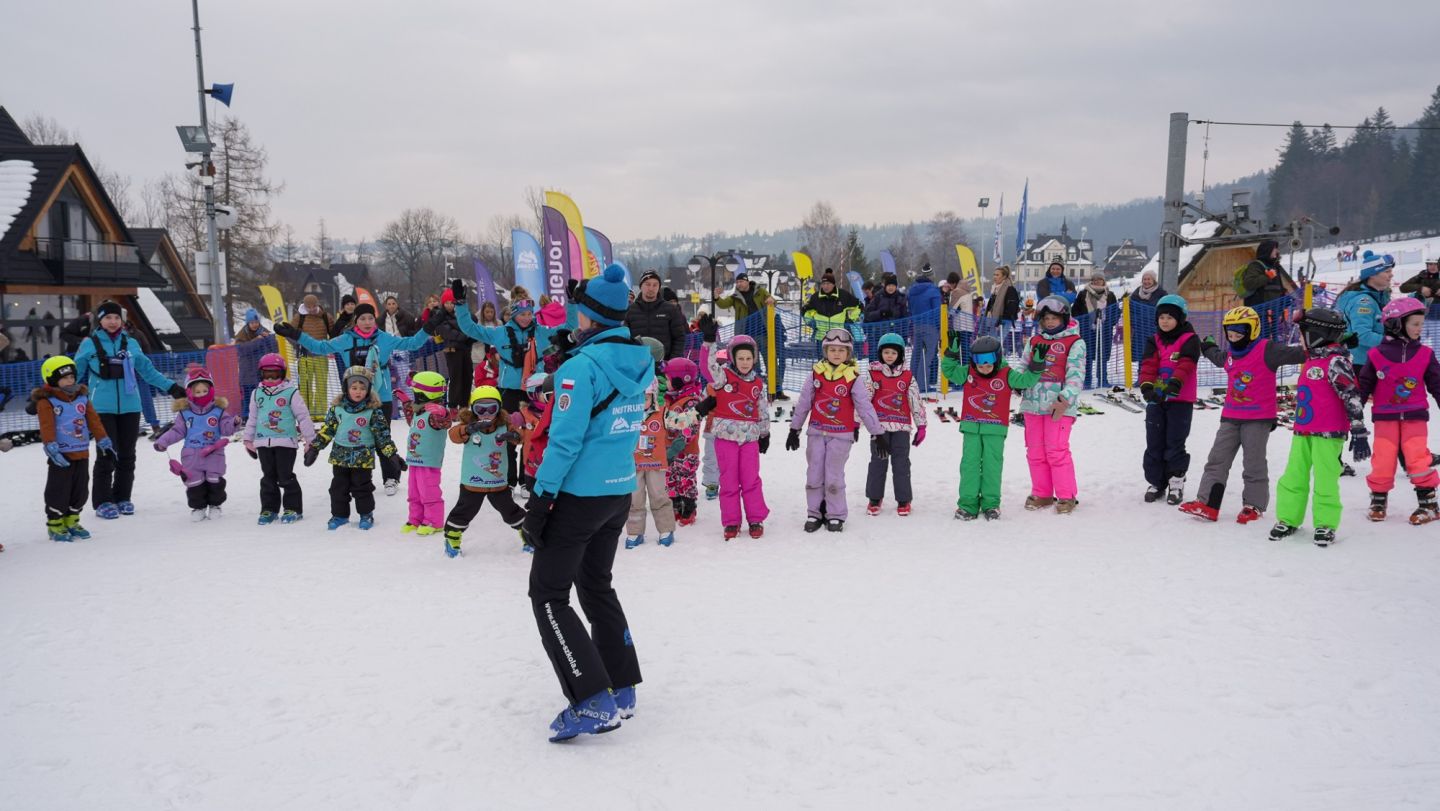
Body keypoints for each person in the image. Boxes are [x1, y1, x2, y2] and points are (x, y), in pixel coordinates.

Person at [518, 263, 652, 742]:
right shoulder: (640, 359)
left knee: (548, 594)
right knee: (596, 586)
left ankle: (593, 699)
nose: (575, 318)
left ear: (590, 315)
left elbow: (564, 443)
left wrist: (540, 499)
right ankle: (622, 685)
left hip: (579, 495)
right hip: (618, 489)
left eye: (579, 311)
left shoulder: (581, 368)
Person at [275, 302, 434, 496]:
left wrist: (429, 327)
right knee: (356, 436)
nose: (367, 322)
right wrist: (296, 334)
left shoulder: (384, 338)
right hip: (354, 396)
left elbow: (413, 343)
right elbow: (320, 347)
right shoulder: (346, 339)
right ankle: (358, 477)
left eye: (370, 318)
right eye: (362, 319)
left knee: (382, 436)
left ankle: (391, 477)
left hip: (380, 395)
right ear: (356, 321)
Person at [1180, 307, 1306, 524]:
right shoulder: (1230, 355)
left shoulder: (1267, 350)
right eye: (1230, 332)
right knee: (1217, 460)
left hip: (1258, 419)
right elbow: (1217, 357)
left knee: (1253, 463)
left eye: (1239, 332)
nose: (1234, 336)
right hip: (1231, 417)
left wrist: (1324, 343)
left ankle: (1253, 505)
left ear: (1252, 330)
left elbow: (1297, 354)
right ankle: (1208, 503)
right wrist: (1208, 347)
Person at [451, 282, 575, 489]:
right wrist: (461, 304)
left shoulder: (542, 332)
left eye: (530, 314)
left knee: (533, 437)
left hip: (535, 393)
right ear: (514, 314)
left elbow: (569, 326)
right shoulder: (500, 333)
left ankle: (527, 480)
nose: (527, 318)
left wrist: (573, 302)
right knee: (508, 435)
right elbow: (470, 328)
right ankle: (508, 480)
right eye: (522, 314)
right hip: (509, 392)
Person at [72, 300, 186, 519]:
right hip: (102, 408)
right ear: (100, 321)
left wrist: (172, 387)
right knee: (107, 454)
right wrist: (55, 392)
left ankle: (123, 497)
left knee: (127, 455)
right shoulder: (90, 344)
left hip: (130, 406)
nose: (113, 321)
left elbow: (148, 371)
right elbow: (74, 373)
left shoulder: (131, 343)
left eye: (117, 317)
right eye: (108, 317)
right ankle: (103, 501)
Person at [1269, 308, 1369, 546]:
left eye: (1303, 333)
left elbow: (1351, 395)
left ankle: (1325, 523)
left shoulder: (1336, 362)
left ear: (1315, 335)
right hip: (1303, 431)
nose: (1300, 338)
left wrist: (1358, 428)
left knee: (1325, 479)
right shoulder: (1313, 358)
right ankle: (1288, 518)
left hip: (1329, 433)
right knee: (1293, 476)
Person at [784, 328, 883, 532]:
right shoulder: (816, 374)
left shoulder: (853, 378)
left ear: (848, 353)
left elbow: (864, 406)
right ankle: (815, 511)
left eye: (841, 350)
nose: (836, 353)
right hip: (816, 432)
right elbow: (804, 403)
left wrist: (877, 432)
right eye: (832, 349)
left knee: (833, 474)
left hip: (841, 435)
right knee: (814, 473)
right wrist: (795, 429)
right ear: (825, 351)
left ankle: (836, 514)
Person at [940, 334, 1044, 520]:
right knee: (969, 465)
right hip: (971, 428)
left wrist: (1036, 364)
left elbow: (1026, 381)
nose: (984, 369)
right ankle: (968, 504)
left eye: (988, 365)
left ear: (997, 359)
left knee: (992, 466)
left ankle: (991, 504)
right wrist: (952, 353)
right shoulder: (969, 372)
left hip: (995, 430)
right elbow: (949, 371)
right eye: (980, 365)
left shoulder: (1007, 374)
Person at [1358, 298, 1440, 525]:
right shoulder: (1376, 354)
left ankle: (1429, 504)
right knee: (1383, 457)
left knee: (1417, 456)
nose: (1419, 329)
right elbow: (1364, 384)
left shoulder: (1425, 353)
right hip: (1385, 416)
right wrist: (1353, 411)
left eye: (1421, 324)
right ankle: (1378, 499)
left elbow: (1437, 383)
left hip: (1415, 415)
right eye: (1415, 324)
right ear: (1396, 325)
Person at [304, 366, 405, 531]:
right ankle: (340, 515)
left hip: (362, 458)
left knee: (362, 487)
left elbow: (382, 436)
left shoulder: (373, 411)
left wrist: (392, 455)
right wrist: (315, 448)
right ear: (346, 387)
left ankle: (366, 514)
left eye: (362, 388)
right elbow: (328, 430)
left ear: (369, 389)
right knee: (338, 488)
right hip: (340, 457)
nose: (358, 392)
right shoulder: (337, 409)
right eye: (354, 387)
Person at [1019, 296, 1086, 514]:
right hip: (1032, 404)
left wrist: (1064, 398)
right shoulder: (1034, 341)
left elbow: (1076, 375)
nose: (1049, 322)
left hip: (1059, 406)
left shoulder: (1074, 342)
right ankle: (1042, 493)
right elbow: (1023, 365)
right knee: (1035, 451)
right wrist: (1016, 383)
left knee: (1056, 450)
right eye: (1046, 318)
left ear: (1064, 318)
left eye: (1054, 318)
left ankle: (1066, 495)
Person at [34, 356, 112, 541]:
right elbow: (46, 425)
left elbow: (93, 420)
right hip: (61, 454)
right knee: (59, 489)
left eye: (72, 377)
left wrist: (103, 438)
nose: (70, 381)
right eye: (64, 378)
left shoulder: (82, 398)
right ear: (52, 379)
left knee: (80, 489)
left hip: (81, 451)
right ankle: (55, 524)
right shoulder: (47, 401)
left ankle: (72, 520)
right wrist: (50, 445)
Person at [443, 385, 526, 558]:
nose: (486, 413)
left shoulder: (504, 425)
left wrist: (514, 436)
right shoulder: (468, 426)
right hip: (473, 482)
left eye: (491, 409)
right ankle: (452, 538)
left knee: (510, 510)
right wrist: (467, 429)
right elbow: (453, 435)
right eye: (480, 409)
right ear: (473, 409)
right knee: (464, 511)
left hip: (498, 483)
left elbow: (520, 437)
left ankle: (527, 534)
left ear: (499, 408)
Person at [703, 333, 772, 539]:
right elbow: (708, 367)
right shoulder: (723, 377)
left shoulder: (758, 383)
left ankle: (755, 518)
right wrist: (709, 343)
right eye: (740, 358)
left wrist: (765, 433)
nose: (744, 362)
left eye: (748, 358)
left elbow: (762, 410)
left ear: (754, 359)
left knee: (751, 479)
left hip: (749, 439)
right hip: (726, 438)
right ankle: (731, 521)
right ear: (733, 358)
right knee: (729, 480)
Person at [1136, 295, 1201, 505]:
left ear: (1180, 318)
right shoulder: (1154, 340)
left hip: (1180, 400)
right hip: (1157, 400)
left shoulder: (1189, 339)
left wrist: (1175, 383)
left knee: (1175, 441)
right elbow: (1148, 365)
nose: (1165, 321)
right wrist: (1147, 386)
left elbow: (1186, 364)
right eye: (1161, 317)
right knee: (1154, 441)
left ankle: (1176, 481)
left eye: (1170, 317)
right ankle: (1157, 482)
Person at [152, 366, 236, 521]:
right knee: (194, 482)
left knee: (215, 480)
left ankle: (215, 505)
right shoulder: (185, 413)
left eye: (204, 391)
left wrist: (233, 423)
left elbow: (226, 428)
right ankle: (198, 507)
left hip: (213, 453)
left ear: (211, 390)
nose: (201, 394)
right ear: (190, 392)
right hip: (191, 454)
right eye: (197, 392)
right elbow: (177, 431)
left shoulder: (218, 411)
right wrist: (163, 441)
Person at [243, 352, 316, 525]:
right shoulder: (256, 394)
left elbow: (303, 417)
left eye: (274, 375)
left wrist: (310, 440)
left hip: (286, 442)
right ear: (261, 374)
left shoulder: (291, 393)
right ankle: (269, 509)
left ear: (282, 374)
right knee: (268, 477)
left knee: (285, 476)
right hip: (263, 442)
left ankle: (293, 508)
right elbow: (253, 418)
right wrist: (248, 440)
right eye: (266, 375)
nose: (270, 379)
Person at [864, 333, 927, 516]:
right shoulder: (873, 374)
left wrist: (921, 425)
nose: (889, 356)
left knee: (901, 463)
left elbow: (915, 400)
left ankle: (903, 499)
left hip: (901, 427)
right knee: (878, 462)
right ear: (880, 353)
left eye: (893, 352)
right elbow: (864, 401)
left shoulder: (907, 377)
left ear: (900, 354)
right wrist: (855, 423)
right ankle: (874, 497)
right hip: (879, 428)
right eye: (886, 352)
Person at [625, 372, 677, 549]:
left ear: (654, 396)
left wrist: (697, 412)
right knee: (634, 499)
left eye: (646, 398)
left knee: (659, 496)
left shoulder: (662, 413)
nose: (641, 403)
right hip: (633, 465)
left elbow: (679, 421)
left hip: (656, 464)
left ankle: (666, 529)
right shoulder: (627, 415)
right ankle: (635, 531)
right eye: (637, 398)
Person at [402, 371, 452, 536]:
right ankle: (415, 519)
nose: (414, 396)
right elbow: (413, 422)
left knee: (428, 491)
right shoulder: (420, 410)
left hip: (428, 462)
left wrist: (443, 413)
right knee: (414, 492)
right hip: (415, 460)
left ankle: (433, 521)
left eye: (416, 393)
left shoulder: (435, 413)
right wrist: (405, 402)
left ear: (425, 394)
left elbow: (445, 423)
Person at [662, 357, 703, 529]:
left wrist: (677, 446)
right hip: (668, 449)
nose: (666, 383)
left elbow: (691, 428)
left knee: (685, 480)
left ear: (681, 380)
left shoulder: (692, 401)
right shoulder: (671, 398)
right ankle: (675, 504)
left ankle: (689, 508)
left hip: (686, 451)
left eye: (669, 379)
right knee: (670, 478)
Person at [1337, 250, 1394, 372]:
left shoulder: (1379, 296)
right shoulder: (1364, 302)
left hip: (1372, 359)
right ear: (1372, 275)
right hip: (1361, 363)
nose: (1391, 275)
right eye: (1387, 271)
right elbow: (1362, 335)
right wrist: (1391, 342)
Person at [625, 269, 688, 359]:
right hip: (637, 362)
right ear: (641, 286)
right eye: (647, 284)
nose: (651, 288)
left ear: (659, 287)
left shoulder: (670, 310)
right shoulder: (630, 310)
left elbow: (679, 337)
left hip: (664, 363)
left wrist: (672, 360)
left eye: (655, 285)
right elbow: (624, 338)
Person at [1072, 272, 1119, 389]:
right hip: (1087, 330)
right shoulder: (1083, 294)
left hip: (1104, 330)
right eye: (1095, 279)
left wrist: (1110, 322)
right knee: (1087, 355)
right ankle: (1087, 380)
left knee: (1103, 355)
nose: (1097, 281)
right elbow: (1075, 311)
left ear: (1104, 281)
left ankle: (1103, 378)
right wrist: (1083, 321)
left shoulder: (1110, 295)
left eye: (1100, 279)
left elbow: (1115, 311)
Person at [429, 289, 475, 409]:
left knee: (467, 377)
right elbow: (448, 332)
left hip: (465, 350)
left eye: (452, 303)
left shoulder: (463, 314)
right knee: (456, 378)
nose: (449, 305)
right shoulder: (440, 316)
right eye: (447, 303)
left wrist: (469, 334)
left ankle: (464, 405)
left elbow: (473, 323)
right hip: (452, 350)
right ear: (443, 304)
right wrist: (465, 335)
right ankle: (453, 405)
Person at [294, 294, 334, 418]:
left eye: (314, 306)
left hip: (321, 355)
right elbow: (290, 333)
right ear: (304, 306)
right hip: (305, 356)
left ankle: (320, 412)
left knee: (321, 385)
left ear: (318, 304)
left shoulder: (325, 316)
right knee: (305, 386)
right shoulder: (299, 317)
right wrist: (298, 345)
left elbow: (334, 333)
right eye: (308, 306)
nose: (311, 309)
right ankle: (306, 412)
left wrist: (330, 345)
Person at [1240, 240, 1298, 309]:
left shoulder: (1274, 266)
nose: (1277, 251)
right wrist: (1267, 276)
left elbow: (1275, 287)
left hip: (1273, 309)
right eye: (1274, 249)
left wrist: (1285, 295)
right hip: (1259, 309)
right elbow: (1249, 283)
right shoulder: (1256, 265)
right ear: (1267, 250)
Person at [715, 272, 772, 339]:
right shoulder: (735, 297)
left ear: (747, 282)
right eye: (737, 282)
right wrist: (716, 297)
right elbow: (723, 304)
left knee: (763, 345)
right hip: (744, 331)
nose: (739, 284)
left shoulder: (760, 291)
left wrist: (770, 299)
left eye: (741, 281)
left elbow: (772, 300)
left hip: (762, 330)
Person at [985, 266, 1022, 356]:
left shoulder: (1009, 288)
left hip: (1004, 320)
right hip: (994, 319)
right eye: (994, 274)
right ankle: (994, 358)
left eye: (997, 275)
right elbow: (991, 305)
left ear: (1004, 276)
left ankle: (998, 358)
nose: (994, 277)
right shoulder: (995, 289)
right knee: (992, 342)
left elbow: (1012, 306)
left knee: (997, 342)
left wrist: (1002, 318)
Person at [947, 273, 978, 366]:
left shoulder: (956, 292)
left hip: (960, 326)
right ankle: (969, 367)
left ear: (953, 283)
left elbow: (951, 310)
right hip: (968, 325)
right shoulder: (967, 291)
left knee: (962, 351)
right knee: (966, 349)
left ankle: (965, 369)